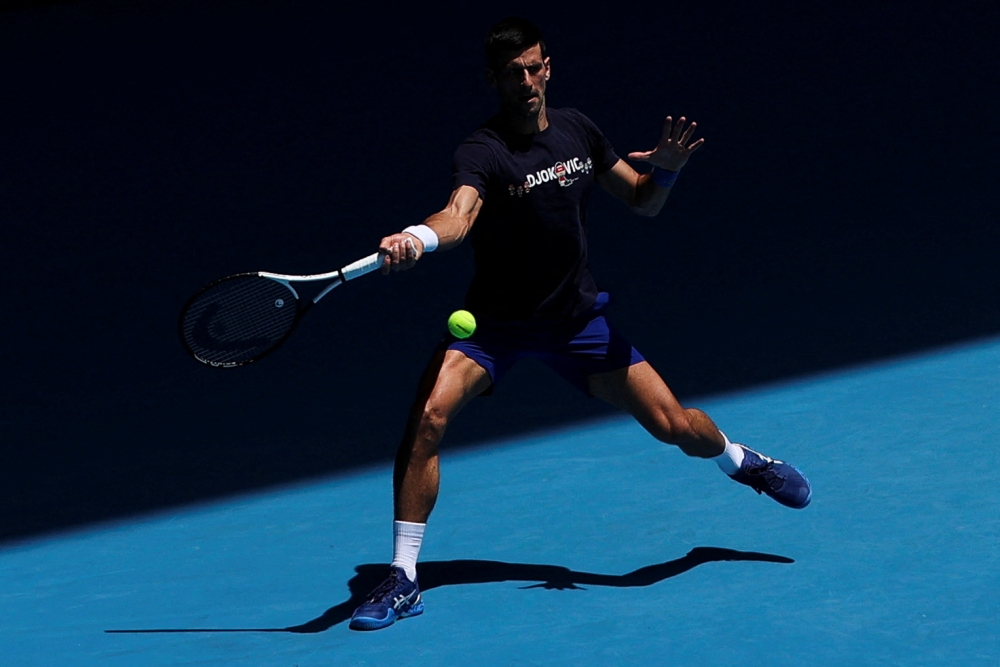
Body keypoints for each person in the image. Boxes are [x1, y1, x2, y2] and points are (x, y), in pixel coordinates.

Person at [348, 17, 811, 632]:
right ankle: (404, 577)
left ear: (548, 67)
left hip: (575, 323)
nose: (527, 81)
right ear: (495, 80)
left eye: (535, 67)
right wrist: (417, 236)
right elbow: (459, 216)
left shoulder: (578, 131)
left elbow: (643, 199)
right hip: (495, 327)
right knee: (427, 420)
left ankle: (738, 459)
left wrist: (667, 170)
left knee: (677, 427)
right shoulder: (481, 151)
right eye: (513, 73)